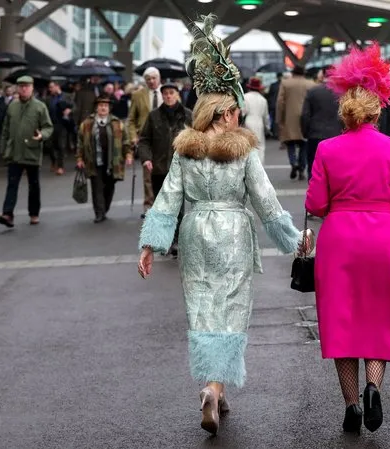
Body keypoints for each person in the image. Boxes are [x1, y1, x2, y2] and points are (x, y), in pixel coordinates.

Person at [137, 15, 307, 436]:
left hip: (194, 232)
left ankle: (216, 388)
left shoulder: (184, 150)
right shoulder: (244, 150)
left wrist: (150, 245)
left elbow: (168, 198)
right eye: (238, 110)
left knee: (201, 308)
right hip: (232, 232)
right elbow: (266, 202)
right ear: (228, 112)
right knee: (231, 309)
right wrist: (294, 240)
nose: (240, 116)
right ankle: (214, 386)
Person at [305, 43, 390, 435]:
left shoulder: (327, 149)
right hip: (382, 241)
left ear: (345, 111)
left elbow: (317, 204)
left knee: (343, 325)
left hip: (339, 242)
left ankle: (352, 405)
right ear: (376, 110)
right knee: (378, 319)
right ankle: (375, 386)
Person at [137, 82, 192, 256]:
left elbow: (198, 138)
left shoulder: (187, 115)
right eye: (165, 93)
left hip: (180, 167)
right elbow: (144, 139)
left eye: (171, 93)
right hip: (159, 167)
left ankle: (176, 240)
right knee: (161, 206)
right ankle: (164, 239)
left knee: (178, 206)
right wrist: (146, 159)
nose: (168, 96)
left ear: (177, 95)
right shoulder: (154, 116)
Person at [0, 76, 53, 228]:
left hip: (32, 150)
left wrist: (42, 135)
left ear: (32, 88)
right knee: (12, 184)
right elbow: (6, 129)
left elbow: (49, 127)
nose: (24, 89)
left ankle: (34, 213)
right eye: (21, 86)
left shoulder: (40, 107)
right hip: (14, 151)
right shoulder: (12, 106)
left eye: (27, 86)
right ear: (17, 88)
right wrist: (3, 148)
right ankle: (7, 214)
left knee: (33, 184)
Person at [76, 96, 133, 223]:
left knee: (109, 187)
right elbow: (80, 142)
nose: (103, 108)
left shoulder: (117, 123)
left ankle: (104, 209)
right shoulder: (87, 124)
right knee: (97, 187)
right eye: (100, 105)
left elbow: (125, 141)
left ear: (109, 108)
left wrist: (128, 154)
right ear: (96, 108)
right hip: (94, 161)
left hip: (113, 161)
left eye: (105, 106)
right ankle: (99, 213)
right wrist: (79, 158)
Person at [128, 67, 162, 218]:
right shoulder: (137, 95)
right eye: (148, 79)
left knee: (165, 174)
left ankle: (164, 206)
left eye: (154, 78)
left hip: (164, 140)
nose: (151, 81)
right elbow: (131, 119)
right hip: (145, 139)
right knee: (148, 174)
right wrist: (133, 136)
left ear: (159, 78)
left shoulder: (168, 93)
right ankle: (149, 206)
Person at [301, 67, 342, 181]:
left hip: (315, 134)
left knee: (313, 165)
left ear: (323, 75)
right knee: (335, 167)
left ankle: (313, 187)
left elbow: (305, 115)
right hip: (336, 134)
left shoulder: (313, 91)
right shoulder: (341, 93)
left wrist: (305, 132)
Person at [276, 65, 315, 180]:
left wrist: (280, 118)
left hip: (290, 118)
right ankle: (302, 168)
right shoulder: (311, 84)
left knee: (290, 143)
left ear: (293, 73)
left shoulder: (285, 83)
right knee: (304, 144)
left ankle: (293, 163)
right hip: (306, 118)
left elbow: (280, 102)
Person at [45, 80, 75, 175]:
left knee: (61, 145)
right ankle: (54, 161)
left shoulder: (67, 96)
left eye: (51, 87)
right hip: (51, 124)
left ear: (57, 86)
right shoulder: (48, 98)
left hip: (62, 124)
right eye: (49, 87)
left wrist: (69, 110)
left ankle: (60, 166)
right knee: (49, 145)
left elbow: (75, 106)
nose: (50, 89)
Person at [242, 77, 270, 163]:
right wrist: (267, 127)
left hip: (248, 122)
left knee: (248, 146)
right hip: (259, 123)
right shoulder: (263, 100)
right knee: (260, 146)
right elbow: (266, 116)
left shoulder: (245, 97)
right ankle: (259, 165)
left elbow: (242, 112)